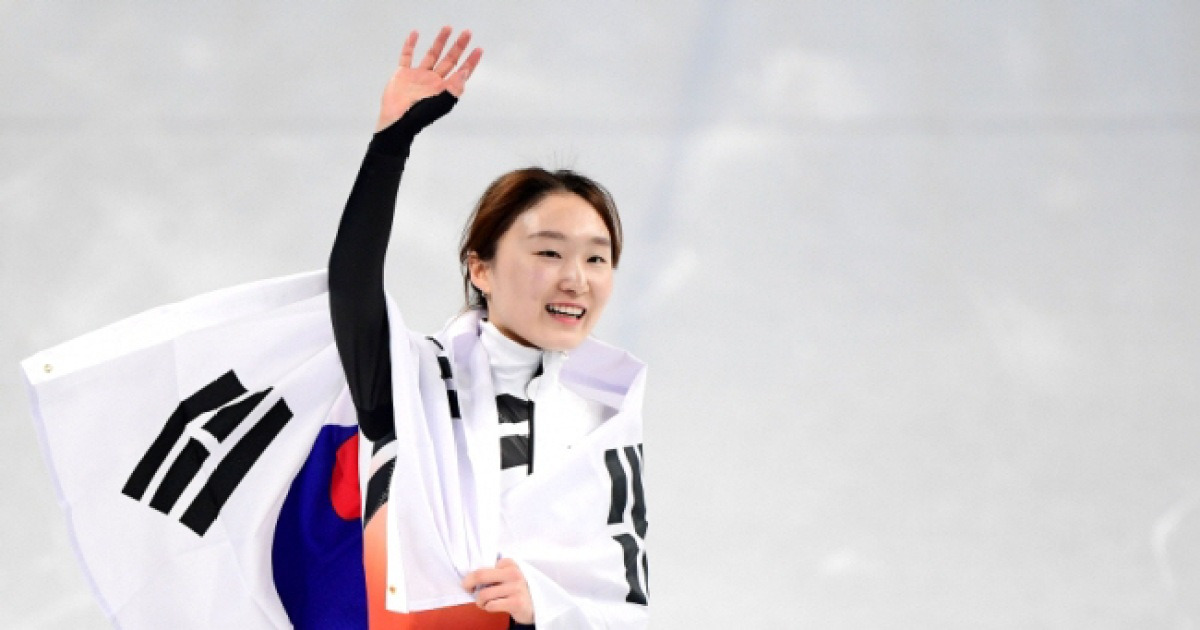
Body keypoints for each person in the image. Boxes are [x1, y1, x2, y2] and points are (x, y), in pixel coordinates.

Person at [328, 27, 650, 629]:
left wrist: (542, 606)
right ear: (481, 268)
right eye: (549, 254)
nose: (575, 279)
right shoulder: (412, 385)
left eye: (597, 258)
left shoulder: (602, 419)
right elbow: (351, 290)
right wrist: (390, 145)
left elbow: (622, 601)